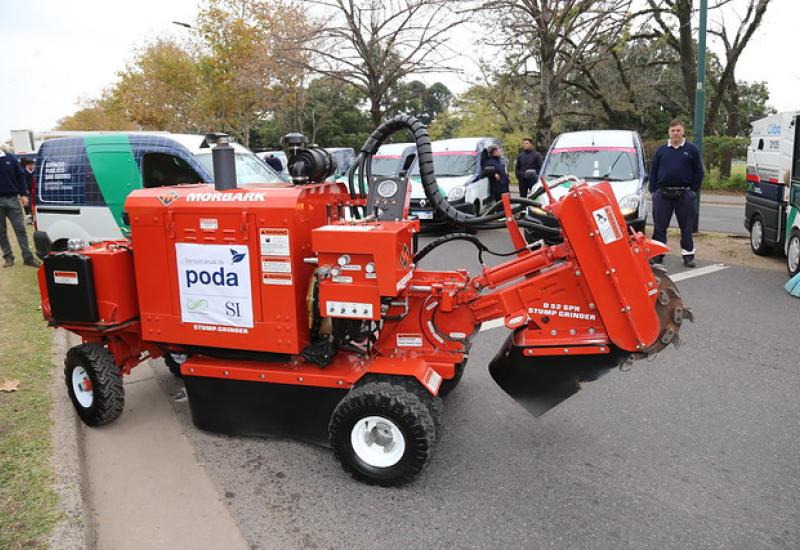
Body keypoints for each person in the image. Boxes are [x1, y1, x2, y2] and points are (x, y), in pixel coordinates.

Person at [649, 119, 704, 268]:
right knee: (659, 227)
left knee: (686, 227)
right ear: (669, 132)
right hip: (662, 194)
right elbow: (653, 171)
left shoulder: (691, 149)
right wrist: (653, 191)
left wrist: (693, 190)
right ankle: (658, 255)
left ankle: (688, 256)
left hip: (684, 194)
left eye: (678, 130)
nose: (675, 133)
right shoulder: (661, 150)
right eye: (673, 131)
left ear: (683, 131)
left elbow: (699, 171)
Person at [0, 149, 39, 267]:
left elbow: (20, 176)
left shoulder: (10, 158)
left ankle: (28, 257)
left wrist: (23, 194)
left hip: (12, 199)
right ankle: (8, 257)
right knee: (1, 231)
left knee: (20, 229)